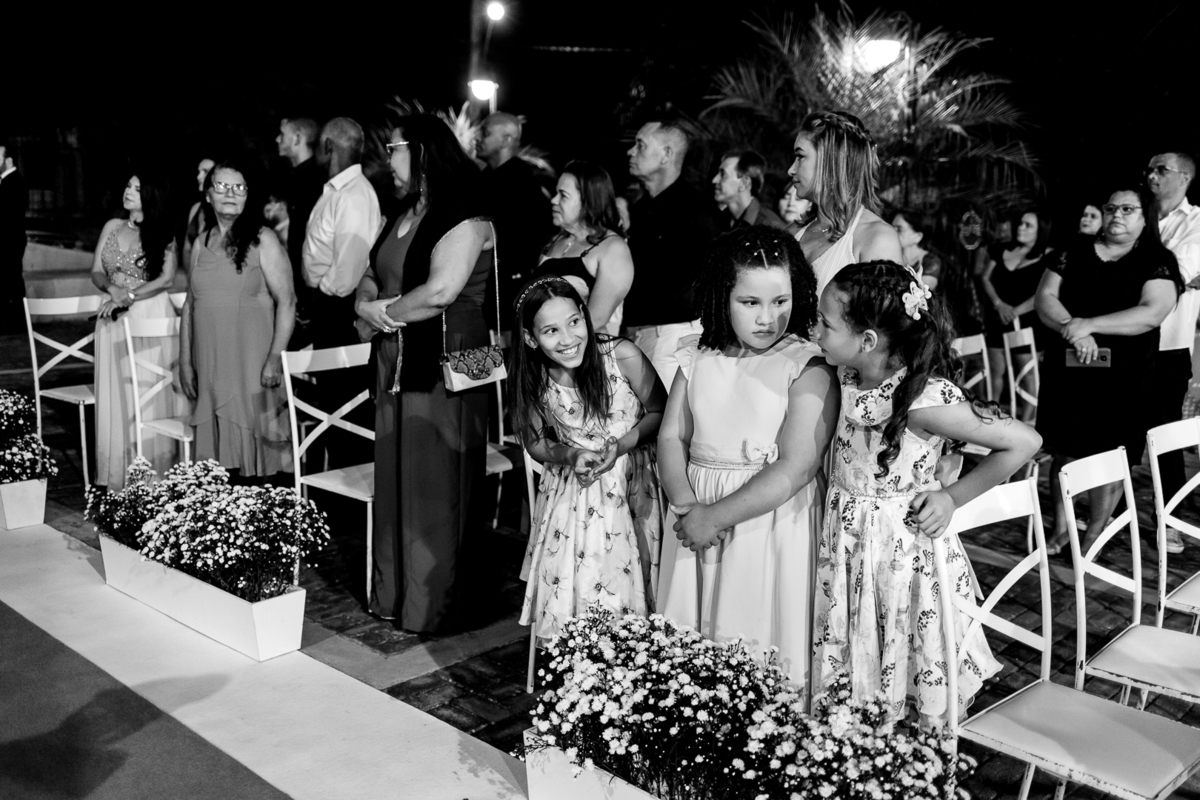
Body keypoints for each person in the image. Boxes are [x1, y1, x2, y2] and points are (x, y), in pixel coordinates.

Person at [811, 260, 1039, 725]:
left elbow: (1024, 442)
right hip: (851, 540)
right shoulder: (846, 374)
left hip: (900, 548)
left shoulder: (922, 400)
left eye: (825, 323)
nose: (815, 330)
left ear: (867, 340)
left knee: (900, 647)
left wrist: (952, 496)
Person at [656, 227, 837, 688]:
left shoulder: (808, 364)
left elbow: (796, 467)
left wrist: (714, 516)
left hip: (768, 521)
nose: (768, 318)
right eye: (750, 303)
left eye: (780, 301)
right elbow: (672, 436)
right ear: (722, 296)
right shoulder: (697, 356)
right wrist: (686, 506)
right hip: (693, 514)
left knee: (756, 633)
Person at [354, 115, 495, 631]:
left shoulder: (467, 216)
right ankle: (395, 594)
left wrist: (382, 313)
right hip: (398, 353)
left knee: (437, 478)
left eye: (392, 149)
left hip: (450, 358)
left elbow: (441, 293)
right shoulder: (402, 212)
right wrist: (367, 304)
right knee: (397, 473)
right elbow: (370, 273)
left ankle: (435, 604)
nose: (387, 160)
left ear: (421, 152)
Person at [513, 277, 666, 640]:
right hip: (573, 491)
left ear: (585, 316)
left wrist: (622, 445)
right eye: (551, 330)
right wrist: (570, 453)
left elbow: (660, 411)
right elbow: (535, 443)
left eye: (574, 322)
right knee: (579, 575)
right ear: (532, 339)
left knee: (634, 575)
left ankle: (632, 649)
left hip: (633, 479)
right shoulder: (536, 376)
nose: (567, 339)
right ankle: (583, 651)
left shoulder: (620, 355)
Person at [1036, 186, 1182, 555]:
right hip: (1069, 369)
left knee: (1109, 454)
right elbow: (1045, 298)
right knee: (1065, 451)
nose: (1117, 214)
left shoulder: (1156, 259)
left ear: (1145, 217)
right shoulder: (1074, 251)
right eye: (1112, 208)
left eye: (1128, 209)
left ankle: (1094, 536)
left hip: (1126, 377)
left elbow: (1151, 312)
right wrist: (1074, 328)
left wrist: (1089, 324)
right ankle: (1063, 527)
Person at [180, 158, 296, 479]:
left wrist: (274, 358)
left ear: (248, 195)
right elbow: (190, 305)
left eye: (239, 187)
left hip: (251, 362)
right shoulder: (201, 243)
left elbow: (287, 301)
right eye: (222, 186)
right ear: (208, 195)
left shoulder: (264, 239)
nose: (231, 193)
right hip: (209, 363)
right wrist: (185, 361)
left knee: (256, 463)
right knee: (217, 465)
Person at [91, 173, 183, 489]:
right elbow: (96, 270)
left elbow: (167, 278)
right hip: (110, 317)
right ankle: (118, 471)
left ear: (153, 195)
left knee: (146, 390)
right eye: (128, 185)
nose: (128, 191)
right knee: (116, 393)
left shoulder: (164, 232)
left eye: (137, 188)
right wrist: (111, 289)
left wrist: (129, 295)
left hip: (148, 313)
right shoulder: (111, 227)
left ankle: (153, 474)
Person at [623, 120, 719, 387]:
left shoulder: (697, 212)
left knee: (665, 423)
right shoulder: (641, 209)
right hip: (640, 333)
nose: (631, 152)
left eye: (640, 145)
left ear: (666, 154)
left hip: (675, 336)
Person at [1145, 152, 1200, 554]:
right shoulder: (1135, 212)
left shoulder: (1196, 222)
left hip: (1169, 343)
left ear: (1184, 178)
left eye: (1160, 169)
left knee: (1165, 438)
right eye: (1149, 168)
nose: (1151, 175)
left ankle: (1173, 520)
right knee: (1116, 429)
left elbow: (1174, 273)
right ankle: (1111, 510)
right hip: (1124, 340)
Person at [787, 111, 901, 294]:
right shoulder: (793, 232)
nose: (791, 170)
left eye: (800, 156)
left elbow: (882, 320)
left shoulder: (877, 239)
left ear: (830, 162)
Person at [303, 117, 381, 349]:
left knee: (338, 384)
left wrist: (320, 294)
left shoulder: (354, 195)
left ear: (328, 145)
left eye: (316, 144)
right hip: (328, 304)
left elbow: (347, 273)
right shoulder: (339, 190)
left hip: (337, 308)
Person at [531, 160, 633, 335]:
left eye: (563, 195)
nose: (554, 201)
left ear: (587, 201)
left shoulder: (612, 248)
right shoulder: (554, 241)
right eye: (556, 193)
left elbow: (596, 320)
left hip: (583, 353)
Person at [477, 112, 553, 323]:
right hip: (483, 295)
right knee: (477, 352)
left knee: (498, 352)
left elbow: (529, 244)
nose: (478, 138)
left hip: (506, 299)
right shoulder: (485, 178)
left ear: (507, 139)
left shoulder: (523, 184)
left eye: (485, 133)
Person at [979, 208, 1053, 418]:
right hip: (998, 318)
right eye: (1020, 223)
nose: (1021, 228)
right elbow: (984, 278)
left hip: (1027, 321)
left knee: (1027, 373)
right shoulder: (1001, 249)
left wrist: (1015, 311)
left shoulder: (1049, 256)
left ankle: (1029, 420)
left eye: (1028, 225)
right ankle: (989, 416)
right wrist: (998, 304)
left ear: (1041, 231)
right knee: (994, 370)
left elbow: (1045, 292)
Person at [276, 117, 326, 343]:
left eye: (282, 134)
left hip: (313, 291)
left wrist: (307, 299)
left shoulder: (316, 180)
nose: (277, 139)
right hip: (300, 287)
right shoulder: (297, 178)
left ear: (297, 138)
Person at [711, 150, 787, 230]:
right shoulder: (721, 220)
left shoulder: (770, 228)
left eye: (723, 174)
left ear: (744, 183)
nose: (714, 180)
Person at [0, 142, 27, 333]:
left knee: (11, 281)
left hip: (9, 241)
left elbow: (9, 215)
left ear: (8, 160)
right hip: (8, 240)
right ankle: (13, 322)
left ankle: (15, 323)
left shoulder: (14, 181)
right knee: (9, 281)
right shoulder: (7, 181)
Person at [892, 209, 943, 291]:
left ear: (918, 236)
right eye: (892, 227)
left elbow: (922, 293)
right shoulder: (889, 254)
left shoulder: (930, 262)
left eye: (899, 229)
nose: (892, 232)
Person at [182, 157, 215, 273]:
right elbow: (187, 248)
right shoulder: (196, 208)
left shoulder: (224, 213)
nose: (198, 177)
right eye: (198, 172)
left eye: (205, 172)